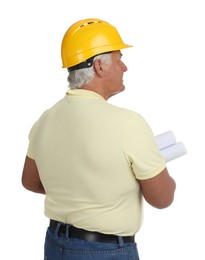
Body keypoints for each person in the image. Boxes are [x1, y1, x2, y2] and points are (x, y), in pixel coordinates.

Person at [22, 18, 176, 260]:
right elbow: (162, 198)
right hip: (105, 252)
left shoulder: (46, 119)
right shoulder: (129, 123)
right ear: (99, 66)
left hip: (56, 245)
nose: (125, 68)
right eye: (119, 59)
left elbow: (30, 181)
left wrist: (78, 193)